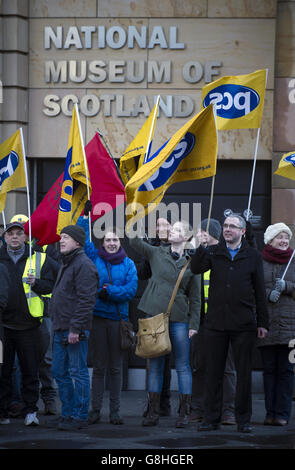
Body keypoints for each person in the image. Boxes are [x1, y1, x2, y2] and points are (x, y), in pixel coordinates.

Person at [191, 213, 269, 433]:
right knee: (213, 373)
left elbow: (260, 291)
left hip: (243, 324)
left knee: (243, 375)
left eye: (233, 226)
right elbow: (196, 269)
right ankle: (210, 418)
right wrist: (201, 247)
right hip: (215, 322)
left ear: (243, 231)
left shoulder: (253, 255)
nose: (227, 229)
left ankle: (243, 420)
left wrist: (263, 322)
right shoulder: (214, 252)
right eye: (225, 226)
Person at [130, 219, 201, 428]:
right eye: (172, 228)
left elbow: (196, 298)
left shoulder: (192, 262)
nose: (172, 231)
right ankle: (153, 412)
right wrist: (136, 217)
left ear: (187, 237)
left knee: (183, 366)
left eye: (178, 229)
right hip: (154, 317)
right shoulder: (156, 252)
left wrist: (194, 324)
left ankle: (184, 413)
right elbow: (134, 242)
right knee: (156, 367)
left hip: (180, 319)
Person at [77, 209, 138, 426]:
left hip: (118, 321)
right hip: (98, 319)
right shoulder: (94, 257)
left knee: (116, 367)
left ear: (120, 242)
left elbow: (131, 290)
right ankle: (95, 410)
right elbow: (83, 240)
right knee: (100, 366)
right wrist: (85, 218)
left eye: (115, 240)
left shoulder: (129, 264)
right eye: (108, 240)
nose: (111, 243)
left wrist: (109, 291)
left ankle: (115, 412)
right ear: (103, 242)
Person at [0, 221, 55, 426]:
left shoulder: (39, 258)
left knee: (30, 371)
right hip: (3, 327)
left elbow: (53, 284)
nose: (14, 237)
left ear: (25, 237)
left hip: (30, 325)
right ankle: (3, 411)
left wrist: (37, 284)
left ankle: (31, 410)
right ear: (4, 237)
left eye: (18, 233)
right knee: (3, 371)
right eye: (10, 233)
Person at [50, 224, 99, 431]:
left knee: (78, 373)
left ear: (78, 242)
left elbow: (86, 300)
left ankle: (79, 416)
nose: (61, 240)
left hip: (73, 330)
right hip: (61, 327)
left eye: (66, 237)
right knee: (59, 371)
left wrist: (75, 329)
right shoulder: (67, 262)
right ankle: (67, 413)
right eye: (61, 237)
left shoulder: (84, 265)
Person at [190, 218, 237, 425]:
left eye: (204, 231)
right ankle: (197, 408)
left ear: (213, 234)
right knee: (200, 366)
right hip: (201, 322)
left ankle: (228, 411)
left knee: (226, 368)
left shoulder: (226, 256)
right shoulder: (199, 255)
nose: (200, 234)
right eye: (199, 231)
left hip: (224, 321)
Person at [258, 222, 295, 426]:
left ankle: (282, 414)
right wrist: (267, 293)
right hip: (267, 324)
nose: (283, 241)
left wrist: (287, 286)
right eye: (279, 237)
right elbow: (252, 288)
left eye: (286, 237)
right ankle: (270, 412)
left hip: (291, 327)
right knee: (269, 371)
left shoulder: (294, 260)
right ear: (270, 240)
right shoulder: (260, 261)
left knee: (287, 372)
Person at [137, 217, 173, 417]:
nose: (161, 229)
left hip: (174, 309)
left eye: (164, 225)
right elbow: (142, 273)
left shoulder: (181, 247)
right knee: (155, 356)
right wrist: (148, 250)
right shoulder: (153, 248)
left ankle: (166, 403)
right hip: (155, 309)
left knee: (170, 359)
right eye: (157, 226)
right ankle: (154, 403)